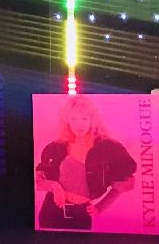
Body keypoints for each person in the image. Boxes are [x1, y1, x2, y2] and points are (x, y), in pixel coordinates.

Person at [35, 96, 136, 230]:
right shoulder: (55, 147)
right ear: (67, 121)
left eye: (84, 119)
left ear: (93, 120)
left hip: (82, 215)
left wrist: (100, 207)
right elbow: (38, 179)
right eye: (74, 119)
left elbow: (126, 181)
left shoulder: (108, 147)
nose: (79, 124)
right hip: (51, 212)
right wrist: (54, 186)